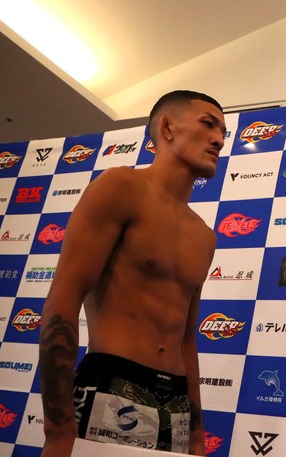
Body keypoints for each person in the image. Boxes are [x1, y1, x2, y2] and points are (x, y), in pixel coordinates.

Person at [39, 90, 226, 456]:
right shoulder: (121, 187)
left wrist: (196, 435)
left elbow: (186, 340)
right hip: (112, 386)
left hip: (176, 403)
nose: (219, 139)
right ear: (167, 127)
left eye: (223, 132)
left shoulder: (205, 236)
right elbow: (64, 299)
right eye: (208, 124)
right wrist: (57, 426)